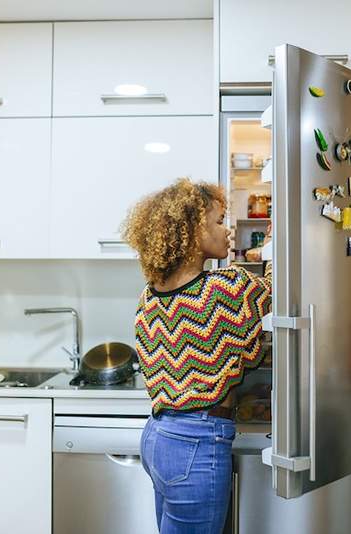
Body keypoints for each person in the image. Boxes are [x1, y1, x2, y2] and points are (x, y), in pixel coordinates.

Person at [121, 178, 271, 534]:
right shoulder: (223, 289)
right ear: (192, 232)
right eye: (219, 221)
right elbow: (276, 287)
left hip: (158, 436)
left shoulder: (150, 296)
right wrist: (271, 246)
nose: (228, 231)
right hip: (197, 442)